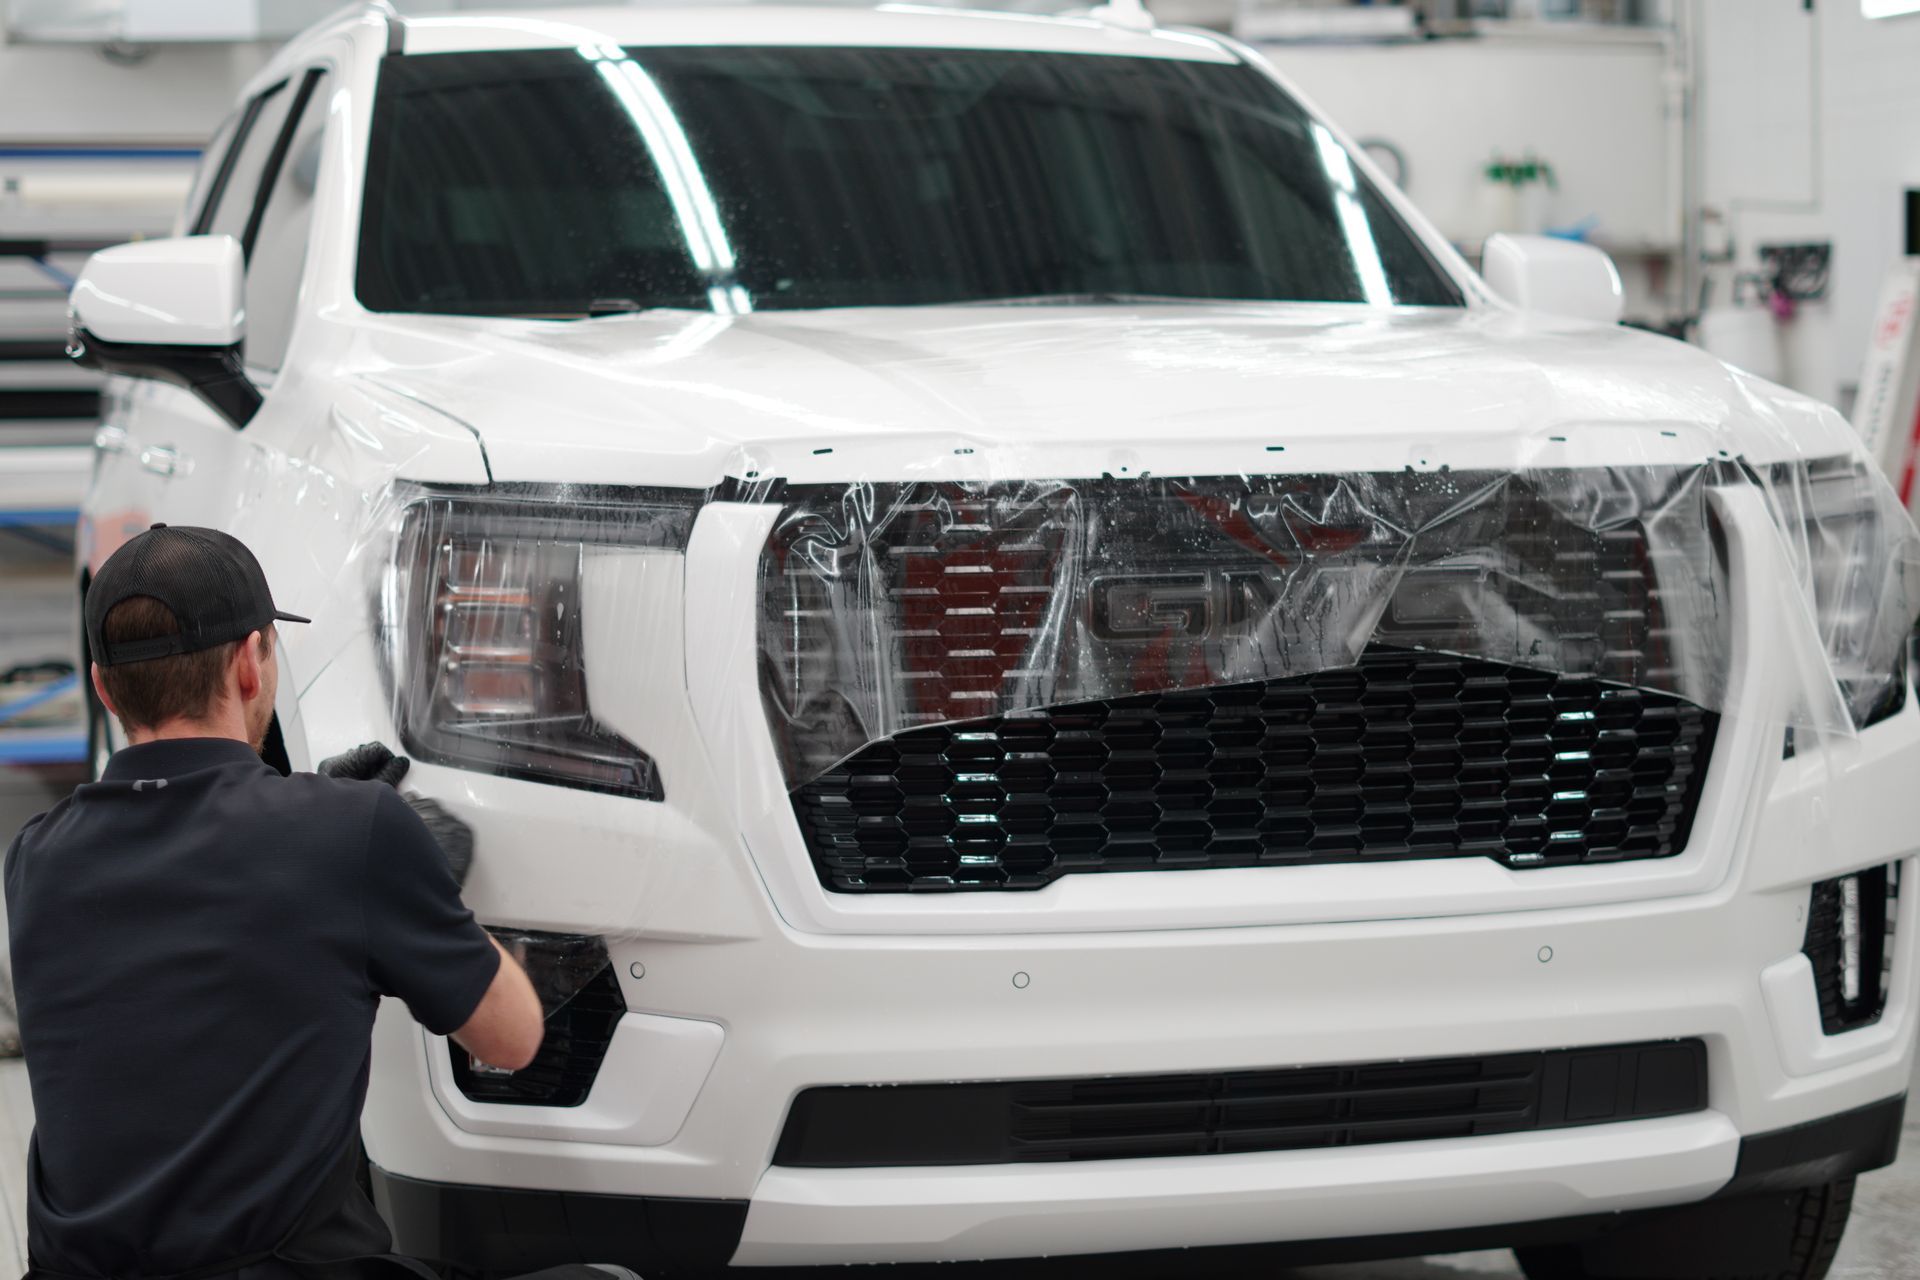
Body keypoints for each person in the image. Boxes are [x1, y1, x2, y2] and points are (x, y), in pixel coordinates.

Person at [3, 525, 630, 1280]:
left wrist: (327, 831)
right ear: (249, 662)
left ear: (103, 687)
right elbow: (513, 1037)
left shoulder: (36, 858)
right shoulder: (350, 834)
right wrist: (403, 870)